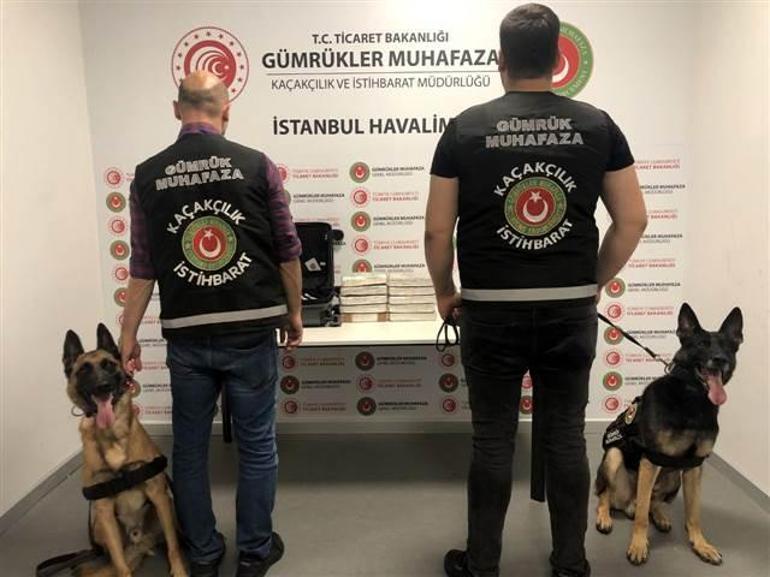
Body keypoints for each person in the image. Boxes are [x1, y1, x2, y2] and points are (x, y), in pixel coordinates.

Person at [425, 4, 647, 577]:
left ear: (500, 60)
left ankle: (482, 565)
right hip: (568, 311)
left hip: (489, 312)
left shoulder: (463, 129)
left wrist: (445, 291)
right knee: (567, 438)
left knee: (492, 441)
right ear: (556, 59)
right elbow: (632, 221)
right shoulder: (599, 125)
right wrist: (591, 283)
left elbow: (436, 231)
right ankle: (571, 564)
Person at [120, 71, 303, 577]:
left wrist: (127, 335)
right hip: (250, 331)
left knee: (189, 449)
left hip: (187, 336)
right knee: (257, 446)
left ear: (176, 110)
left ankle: (201, 553)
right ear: (226, 110)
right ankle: (255, 551)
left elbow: (142, 265)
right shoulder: (257, 165)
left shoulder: (147, 176)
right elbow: (288, 249)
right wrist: (293, 311)